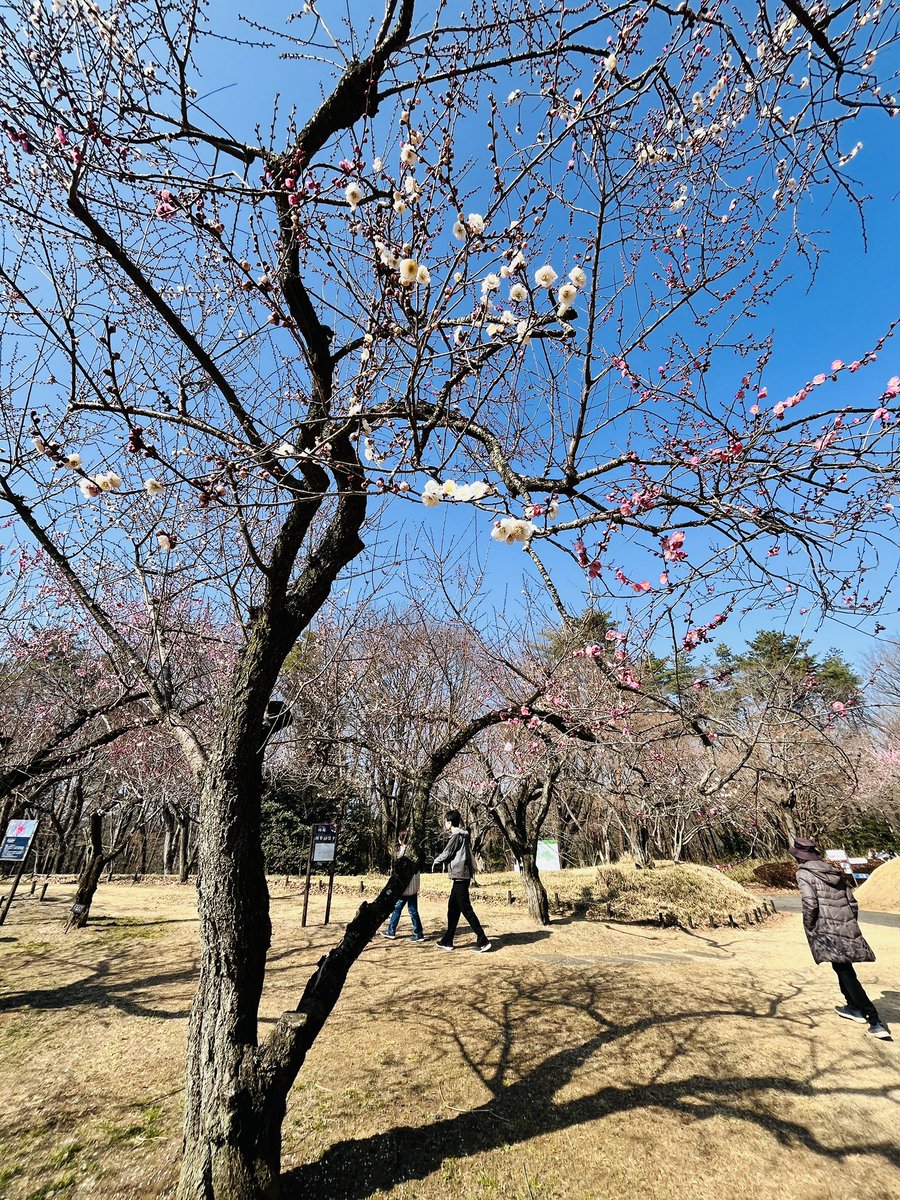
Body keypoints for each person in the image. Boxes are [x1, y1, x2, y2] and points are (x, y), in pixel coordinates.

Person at [790, 836, 891, 1040]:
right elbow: (852, 901)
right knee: (841, 967)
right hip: (844, 924)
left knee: (845, 971)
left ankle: (874, 1020)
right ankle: (852, 1006)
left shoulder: (804, 873)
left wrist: (809, 925)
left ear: (799, 856)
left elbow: (810, 902)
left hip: (826, 927)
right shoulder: (831, 870)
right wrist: (848, 920)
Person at [432, 809, 491, 952]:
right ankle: (447, 940)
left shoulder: (456, 836)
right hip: (461, 875)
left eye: (446, 821)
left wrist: (436, 861)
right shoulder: (463, 835)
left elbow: (448, 852)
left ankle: (483, 940)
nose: (444, 823)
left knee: (465, 908)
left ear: (450, 822)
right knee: (453, 908)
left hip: (460, 876)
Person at [381, 829, 424, 941]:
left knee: (397, 908)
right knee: (413, 910)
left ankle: (391, 931)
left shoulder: (403, 853)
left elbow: (398, 864)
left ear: (401, 840)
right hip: (413, 887)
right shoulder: (415, 852)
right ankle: (418, 933)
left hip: (404, 887)